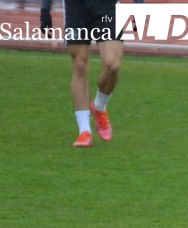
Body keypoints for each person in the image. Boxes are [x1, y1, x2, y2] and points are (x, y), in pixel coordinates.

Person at [41, 0, 126, 147]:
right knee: (79, 64)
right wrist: (45, 8)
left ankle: (99, 106)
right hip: (76, 6)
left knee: (113, 64)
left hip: (107, 6)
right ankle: (84, 131)